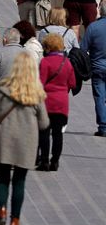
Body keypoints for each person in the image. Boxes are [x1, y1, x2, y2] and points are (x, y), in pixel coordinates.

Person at [0, 53, 50, 225]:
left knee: (2, 177)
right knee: (19, 181)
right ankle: (15, 221)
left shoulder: (2, 90)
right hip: (27, 141)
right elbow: (44, 123)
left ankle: (2, 211)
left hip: (4, 138)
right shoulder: (36, 92)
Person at [37, 34, 76, 171]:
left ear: (48, 47)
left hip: (46, 102)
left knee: (44, 133)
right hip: (61, 103)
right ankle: (55, 161)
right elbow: (73, 83)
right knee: (58, 133)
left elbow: (40, 83)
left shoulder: (45, 62)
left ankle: (44, 161)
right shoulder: (67, 62)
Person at [81, 2, 106, 137]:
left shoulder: (93, 27)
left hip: (97, 67)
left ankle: (103, 127)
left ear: (100, 11)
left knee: (100, 96)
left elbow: (83, 49)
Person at [0, 28, 28, 94]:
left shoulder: (0, 53)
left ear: (4, 40)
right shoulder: (27, 54)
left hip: (3, 95)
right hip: (22, 94)